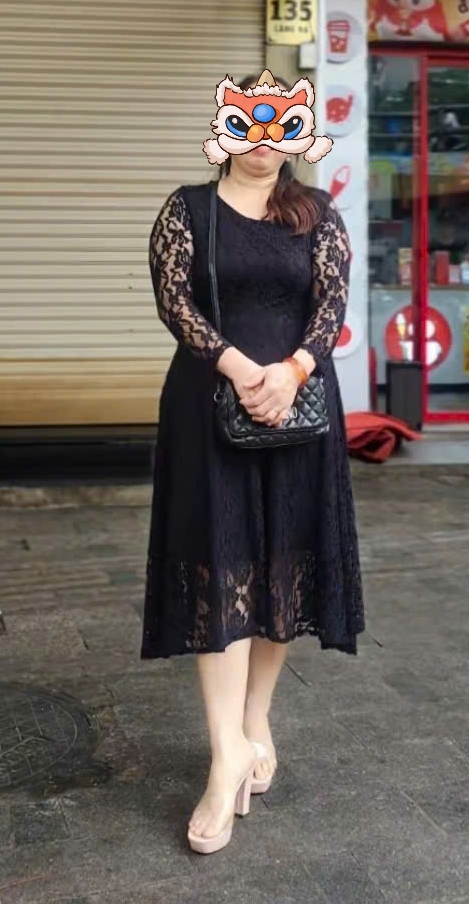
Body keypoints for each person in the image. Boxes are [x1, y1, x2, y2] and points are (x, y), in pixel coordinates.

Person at [141, 73, 365, 855]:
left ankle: (254, 719)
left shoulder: (316, 212)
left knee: (282, 566)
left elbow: (330, 305)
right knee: (219, 563)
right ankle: (224, 753)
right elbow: (175, 303)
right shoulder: (187, 209)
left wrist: (292, 372)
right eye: (248, 125)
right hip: (208, 405)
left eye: (280, 127)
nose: (263, 142)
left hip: (300, 407)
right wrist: (240, 369)